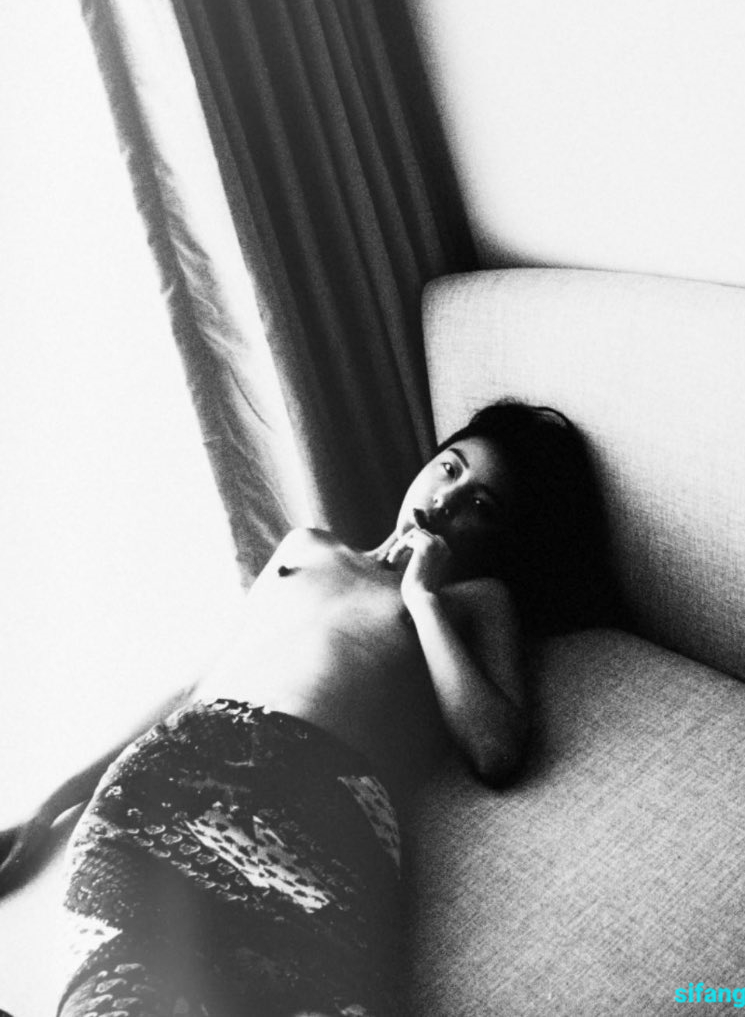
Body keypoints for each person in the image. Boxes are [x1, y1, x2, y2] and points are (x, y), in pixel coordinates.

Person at [0, 400, 612, 1017]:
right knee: (112, 999)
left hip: (316, 807)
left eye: (481, 504)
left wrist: (421, 597)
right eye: (450, 468)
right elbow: (195, 689)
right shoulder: (306, 546)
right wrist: (52, 804)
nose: (447, 499)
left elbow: (496, 749)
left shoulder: (475, 602)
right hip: (165, 783)